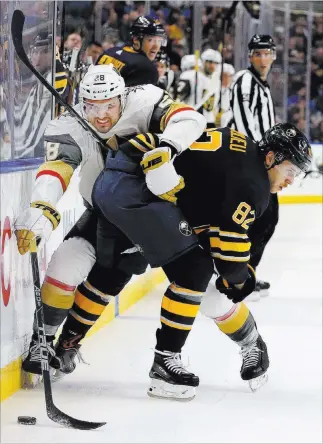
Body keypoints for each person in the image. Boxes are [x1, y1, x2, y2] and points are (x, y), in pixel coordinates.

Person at [92, 111, 312, 399]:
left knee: (191, 277)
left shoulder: (242, 146)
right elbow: (230, 261)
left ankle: (58, 345)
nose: (291, 181)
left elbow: (203, 195)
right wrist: (240, 279)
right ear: (270, 158)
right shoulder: (254, 185)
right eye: (291, 171)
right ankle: (169, 359)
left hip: (140, 179)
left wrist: (232, 270)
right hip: (139, 188)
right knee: (195, 274)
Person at [15, 64, 206, 383]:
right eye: (91, 107)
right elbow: (57, 167)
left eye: (109, 106)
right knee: (63, 266)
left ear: (122, 97)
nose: (101, 116)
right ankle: (44, 343)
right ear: (81, 102)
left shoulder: (145, 101)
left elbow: (190, 118)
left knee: (109, 285)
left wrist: (167, 148)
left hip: (148, 214)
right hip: (102, 211)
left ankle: (73, 344)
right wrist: (42, 205)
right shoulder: (69, 124)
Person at [228, 34, 278, 300]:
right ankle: (236, 276)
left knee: (264, 220)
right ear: (250, 56)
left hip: (261, 162)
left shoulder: (262, 85)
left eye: (266, 53)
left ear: (273, 56)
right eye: (257, 53)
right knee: (258, 220)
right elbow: (245, 123)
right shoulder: (244, 81)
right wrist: (263, 158)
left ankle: (244, 274)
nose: (262, 58)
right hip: (250, 162)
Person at [96, 16, 167, 86]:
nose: (156, 46)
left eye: (159, 41)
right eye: (150, 40)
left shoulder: (109, 52)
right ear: (135, 39)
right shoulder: (146, 68)